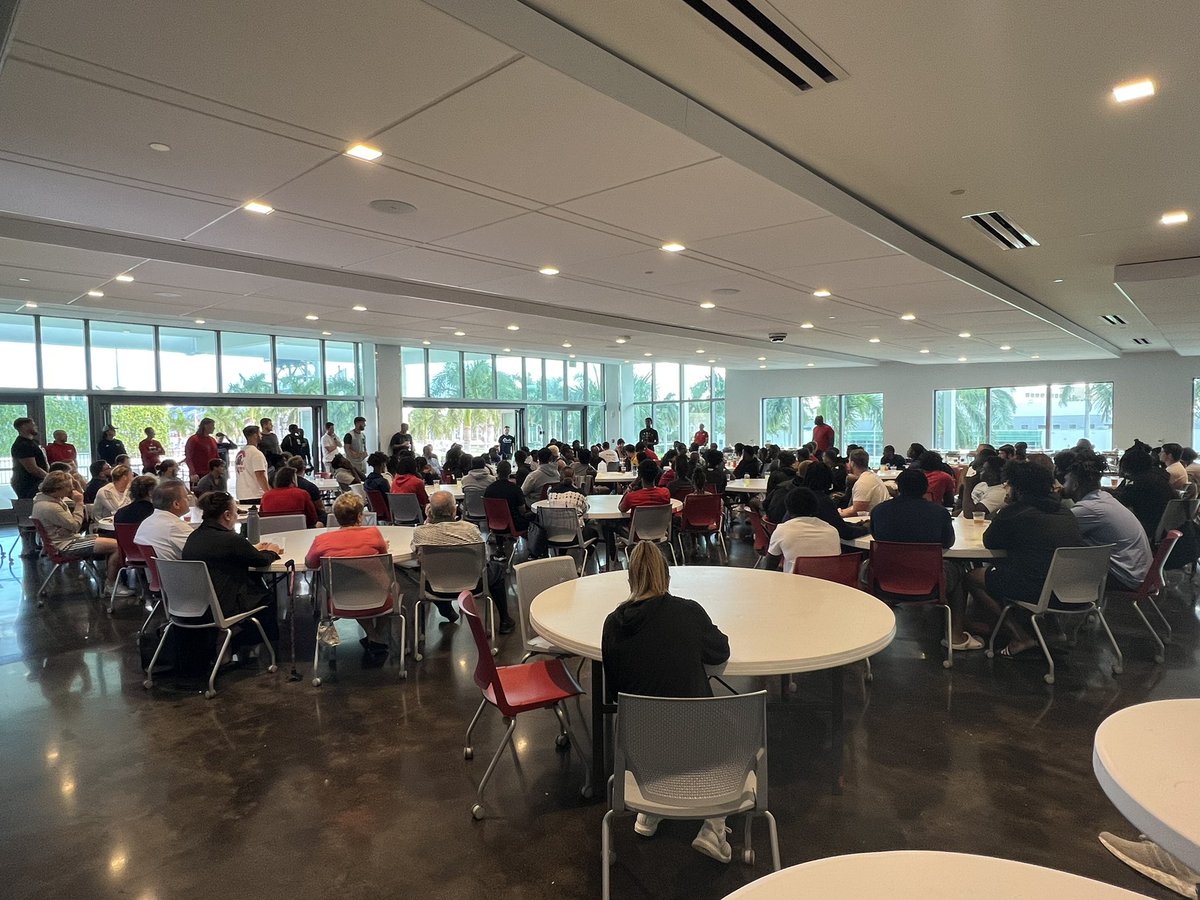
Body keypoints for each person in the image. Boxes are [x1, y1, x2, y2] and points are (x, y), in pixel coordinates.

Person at [602, 541, 732, 862]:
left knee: (651, 717)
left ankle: (649, 811)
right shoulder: (688, 612)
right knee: (728, 726)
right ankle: (714, 826)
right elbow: (720, 651)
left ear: (631, 578)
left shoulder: (613, 624)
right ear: (667, 576)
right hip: (696, 745)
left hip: (641, 750)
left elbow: (615, 693)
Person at [964, 461, 1084, 657]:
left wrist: (1008, 508)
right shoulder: (1065, 511)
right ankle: (1053, 630)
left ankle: (1019, 635)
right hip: (1074, 589)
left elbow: (990, 542)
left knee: (971, 577)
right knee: (1031, 565)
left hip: (1039, 589)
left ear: (1017, 488)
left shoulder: (1015, 512)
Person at [869, 468, 980, 650]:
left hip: (885, 577)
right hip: (930, 581)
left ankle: (870, 632)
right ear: (925, 488)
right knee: (959, 572)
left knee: (867, 565)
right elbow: (948, 542)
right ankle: (956, 636)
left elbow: (877, 537)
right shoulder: (939, 513)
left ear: (898, 486)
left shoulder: (879, 511)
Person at [182, 491, 282, 651]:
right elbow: (260, 561)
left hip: (195, 604)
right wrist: (272, 551)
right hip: (224, 605)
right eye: (236, 511)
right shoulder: (231, 539)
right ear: (227, 515)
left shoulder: (194, 536)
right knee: (267, 596)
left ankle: (228, 644)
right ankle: (241, 640)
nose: (237, 515)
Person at [304, 492, 395, 659]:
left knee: (353, 586)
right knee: (384, 586)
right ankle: (376, 636)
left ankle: (374, 636)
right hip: (379, 600)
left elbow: (310, 564)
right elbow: (383, 555)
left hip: (340, 602)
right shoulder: (374, 534)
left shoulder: (321, 540)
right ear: (360, 516)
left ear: (336, 517)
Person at [412, 490, 513, 631]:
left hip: (435, 588)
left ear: (430, 511)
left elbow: (415, 550)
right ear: (454, 510)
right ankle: (504, 621)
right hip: (473, 586)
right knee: (497, 569)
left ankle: (446, 610)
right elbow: (482, 559)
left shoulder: (421, 532)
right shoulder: (471, 529)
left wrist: (428, 521)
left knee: (425, 573)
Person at [32, 470, 132, 596]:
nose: (72, 489)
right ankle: (111, 585)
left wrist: (66, 527)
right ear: (57, 488)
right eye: (68, 486)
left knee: (109, 541)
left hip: (64, 540)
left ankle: (111, 578)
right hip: (66, 545)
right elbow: (75, 526)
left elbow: (69, 526)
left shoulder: (44, 501)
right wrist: (79, 503)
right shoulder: (51, 507)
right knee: (118, 547)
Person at [1064, 451, 1152, 590]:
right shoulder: (1104, 498)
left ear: (1075, 485)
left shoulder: (1089, 508)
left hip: (1126, 579)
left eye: (1065, 481)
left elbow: (1057, 531)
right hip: (1141, 574)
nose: (1063, 485)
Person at [764, 487, 841, 574]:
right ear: (815, 506)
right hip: (829, 584)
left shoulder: (782, 530)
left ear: (788, 508)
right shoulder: (833, 531)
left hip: (794, 584)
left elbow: (769, 566)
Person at [1114, 448, 1175, 540]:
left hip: (1146, 528)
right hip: (1164, 528)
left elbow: (1117, 503)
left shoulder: (1138, 483)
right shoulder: (1160, 478)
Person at [134, 479, 195, 561]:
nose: (189, 500)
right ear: (176, 504)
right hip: (182, 572)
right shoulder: (175, 526)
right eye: (186, 497)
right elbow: (201, 551)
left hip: (155, 572)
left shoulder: (146, 523)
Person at [839, 450, 890, 516]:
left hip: (870, 521)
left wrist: (839, 513)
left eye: (848, 461)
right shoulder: (872, 476)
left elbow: (857, 510)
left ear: (852, 463)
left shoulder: (863, 482)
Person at [483, 460, 530, 532]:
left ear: (497, 471)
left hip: (493, 524)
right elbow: (522, 510)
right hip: (514, 525)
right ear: (510, 472)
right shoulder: (515, 489)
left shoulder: (489, 489)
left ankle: (500, 541)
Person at [11, 417, 49, 500]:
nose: (36, 427)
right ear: (24, 426)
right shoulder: (22, 445)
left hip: (38, 481)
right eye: (33, 425)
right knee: (31, 507)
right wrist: (50, 478)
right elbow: (33, 469)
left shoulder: (34, 443)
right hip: (28, 483)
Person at [234, 424, 269, 501]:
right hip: (256, 494)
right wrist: (269, 492)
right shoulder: (256, 454)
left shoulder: (240, 453)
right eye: (259, 433)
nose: (261, 436)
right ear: (255, 435)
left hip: (242, 494)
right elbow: (260, 475)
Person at [184, 418, 219, 486]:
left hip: (212, 473)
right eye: (212, 425)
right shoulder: (193, 439)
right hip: (198, 474)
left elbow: (216, 456)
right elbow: (188, 458)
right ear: (205, 426)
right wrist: (193, 473)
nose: (214, 428)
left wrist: (219, 470)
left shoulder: (212, 440)